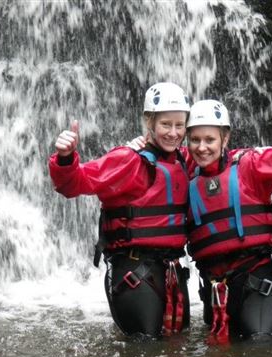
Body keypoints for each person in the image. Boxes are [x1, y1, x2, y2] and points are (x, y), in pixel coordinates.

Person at [185, 79, 272, 343]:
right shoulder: (184, 172)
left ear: (225, 138)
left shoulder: (252, 165)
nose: (201, 147)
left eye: (209, 139)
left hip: (256, 279)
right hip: (215, 290)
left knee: (260, 347)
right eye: (195, 140)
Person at [49, 82, 192, 338]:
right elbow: (74, 184)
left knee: (175, 351)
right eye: (165, 124)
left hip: (170, 269)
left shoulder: (184, 160)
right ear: (150, 122)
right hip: (135, 269)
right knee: (146, 351)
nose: (173, 132)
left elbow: (215, 156)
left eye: (179, 125)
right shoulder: (128, 159)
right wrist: (65, 158)